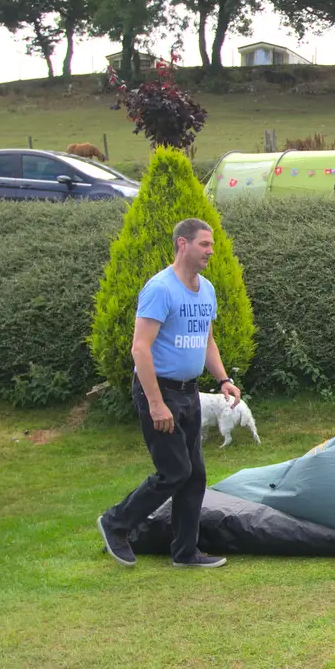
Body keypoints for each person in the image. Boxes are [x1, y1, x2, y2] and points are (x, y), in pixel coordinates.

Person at [96, 218, 241, 568]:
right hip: (158, 392)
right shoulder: (160, 289)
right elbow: (140, 349)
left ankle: (186, 553)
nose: (210, 250)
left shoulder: (206, 289)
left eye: (211, 245)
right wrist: (156, 404)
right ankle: (116, 523)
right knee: (175, 471)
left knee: (195, 474)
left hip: (189, 392)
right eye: (204, 244)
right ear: (182, 244)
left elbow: (206, 341)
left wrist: (222, 380)